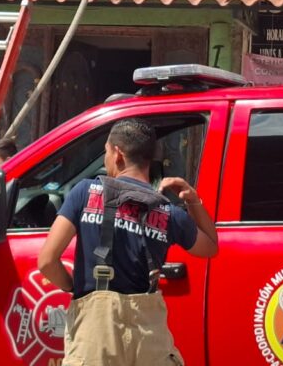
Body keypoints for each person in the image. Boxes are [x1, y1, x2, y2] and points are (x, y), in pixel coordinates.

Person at [38, 118, 217, 365]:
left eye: (105, 153)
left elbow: (47, 261)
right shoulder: (168, 212)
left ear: (117, 153)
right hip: (148, 334)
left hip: (95, 334)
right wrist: (193, 200)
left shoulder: (85, 192)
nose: (105, 160)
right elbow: (210, 246)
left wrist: (73, 288)